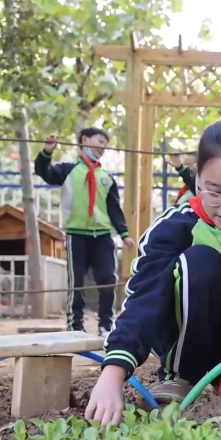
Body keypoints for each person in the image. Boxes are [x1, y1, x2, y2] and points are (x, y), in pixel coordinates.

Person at [86, 118, 221, 425]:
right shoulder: (176, 226)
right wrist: (113, 373)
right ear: (197, 179)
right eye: (213, 191)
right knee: (201, 261)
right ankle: (180, 375)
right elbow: (145, 298)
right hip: (185, 335)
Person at [35, 128, 135, 337]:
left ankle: (105, 324)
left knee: (108, 279)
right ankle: (75, 325)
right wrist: (46, 152)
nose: (102, 148)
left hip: (102, 236)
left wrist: (124, 234)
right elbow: (45, 173)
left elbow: (114, 208)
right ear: (85, 140)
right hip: (76, 235)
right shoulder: (68, 170)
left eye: (105, 146)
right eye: (100, 142)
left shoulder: (106, 177)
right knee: (76, 282)